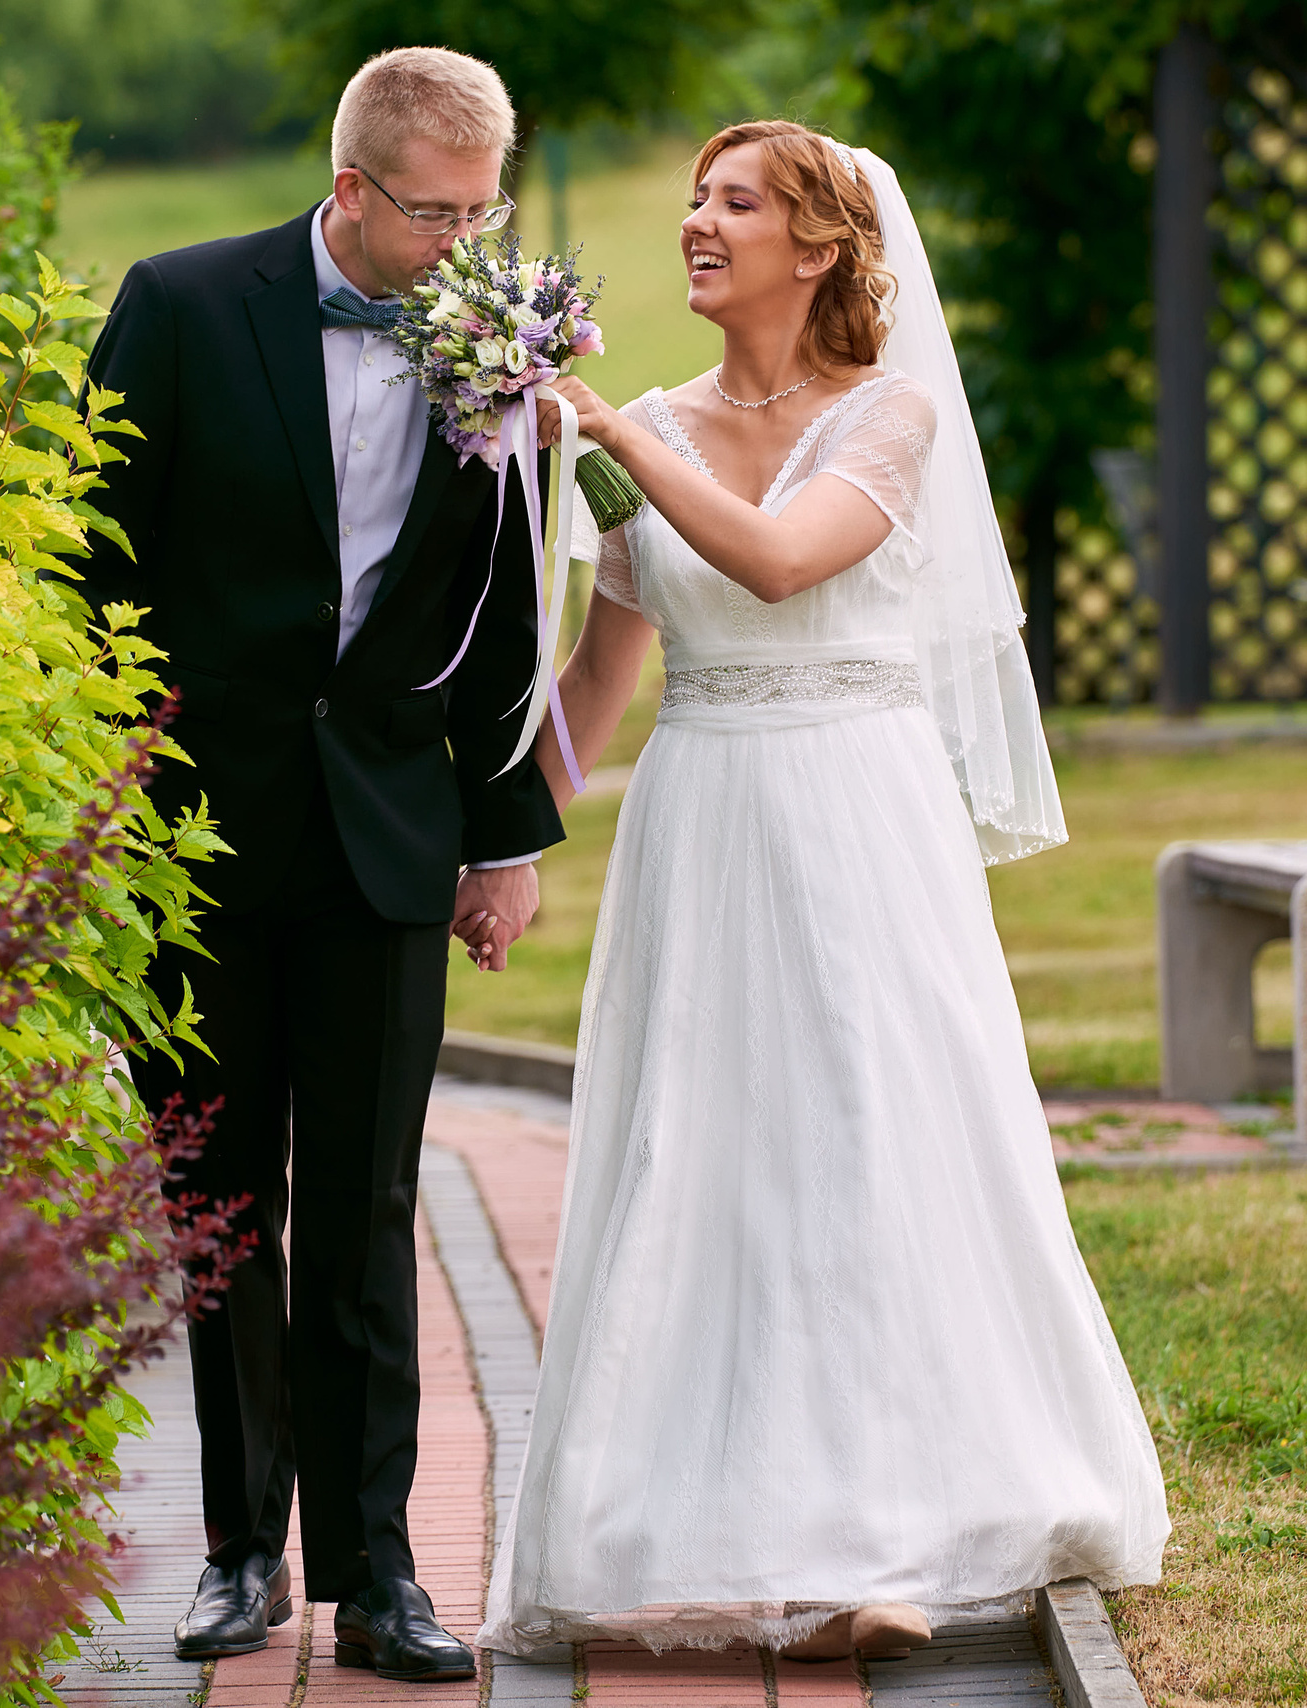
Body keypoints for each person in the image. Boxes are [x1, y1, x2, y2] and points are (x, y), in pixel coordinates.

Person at [475, 121, 1169, 1662]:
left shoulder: (892, 419)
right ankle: (703, 1521)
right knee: (705, 1155)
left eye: (737, 203)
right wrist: (506, 841)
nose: (698, 223)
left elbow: (785, 562)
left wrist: (615, 441)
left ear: (824, 248)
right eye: (695, 198)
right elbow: (598, 681)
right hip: (702, 815)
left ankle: (889, 1543)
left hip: (860, 814)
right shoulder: (643, 423)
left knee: (867, 1140)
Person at [78, 48, 565, 1684]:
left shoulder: (490, 350)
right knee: (218, 1199)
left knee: (365, 1210)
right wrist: (110, 807)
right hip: (199, 836)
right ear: (351, 188)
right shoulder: (180, 305)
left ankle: (380, 1578)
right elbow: (91, 560)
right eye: (434, 212)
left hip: (387, 838)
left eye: (480, 211)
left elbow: (506, 612)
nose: (462, 243)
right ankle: (237, 1550)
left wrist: (503, 838)